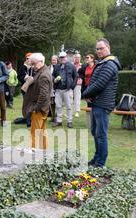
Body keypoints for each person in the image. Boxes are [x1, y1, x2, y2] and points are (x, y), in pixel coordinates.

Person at [82, 38, 122, 167]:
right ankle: (97, 158)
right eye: (97, 49)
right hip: (97, 102)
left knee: (101, 134)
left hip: (103, 104)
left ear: (108, 48)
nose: (99, 51)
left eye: (101, 48)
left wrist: (85, 94)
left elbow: (100, 84)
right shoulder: (103, 63)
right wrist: (89, 95)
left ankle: (100, 164)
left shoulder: (110, 64)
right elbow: (94, 82)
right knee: (95, 132)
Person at [22, 53, 52, 150]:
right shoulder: (42, 71)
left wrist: (36, 108)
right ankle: (44, 151)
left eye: (34, 64)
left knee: (34, 132)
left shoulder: (43, 75)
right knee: (42, 131)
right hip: (42, 108)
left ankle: (32, 152)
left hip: (39, 108)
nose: (33, 66)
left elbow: (44, 95)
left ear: (40, 62)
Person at [52, 52, 78, 128]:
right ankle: (59, 121)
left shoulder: (71, 66)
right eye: (61, 57)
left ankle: (69, 121)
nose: (62, 59)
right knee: (58, 106)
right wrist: (54, 80)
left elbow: (76, 76)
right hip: (58, 89)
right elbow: (53, 75)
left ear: (66, 57)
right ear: (59, 58)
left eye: (63, 57)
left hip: (67, 89)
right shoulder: (56, 66)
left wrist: (72, 86)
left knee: (69, 106)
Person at [18, 52, 35, 127]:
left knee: (32, 104)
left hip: (32, 88)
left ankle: (30, 119)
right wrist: (25, 78)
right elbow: (19, 77)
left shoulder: (34, 67)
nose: (28, 60)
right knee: (26, 104)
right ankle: (27, 118)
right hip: (25, 88)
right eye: (27, 58)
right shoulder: (23, 67)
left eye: (30, 58)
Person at [49, 55, 59, 122]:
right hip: (50, 87)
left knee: (57, 103)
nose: (54, 61)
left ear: (57, 60)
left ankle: (57, 117)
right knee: (51, 103)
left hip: (57, 87)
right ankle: (52, 117)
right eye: (52, 60)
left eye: (55, 60)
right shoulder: (48, 67)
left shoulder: (59, 67)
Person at [72, 53, 83, 118]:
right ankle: (70, 111)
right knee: (70, 98)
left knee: (77, 97)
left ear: (80, 58)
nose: (77, 58)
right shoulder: (71, 65)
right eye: (76, 57)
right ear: (74, 58)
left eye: (78, 57)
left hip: (78, 83)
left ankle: (77, 112)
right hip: (71, 83)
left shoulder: (82, 65)